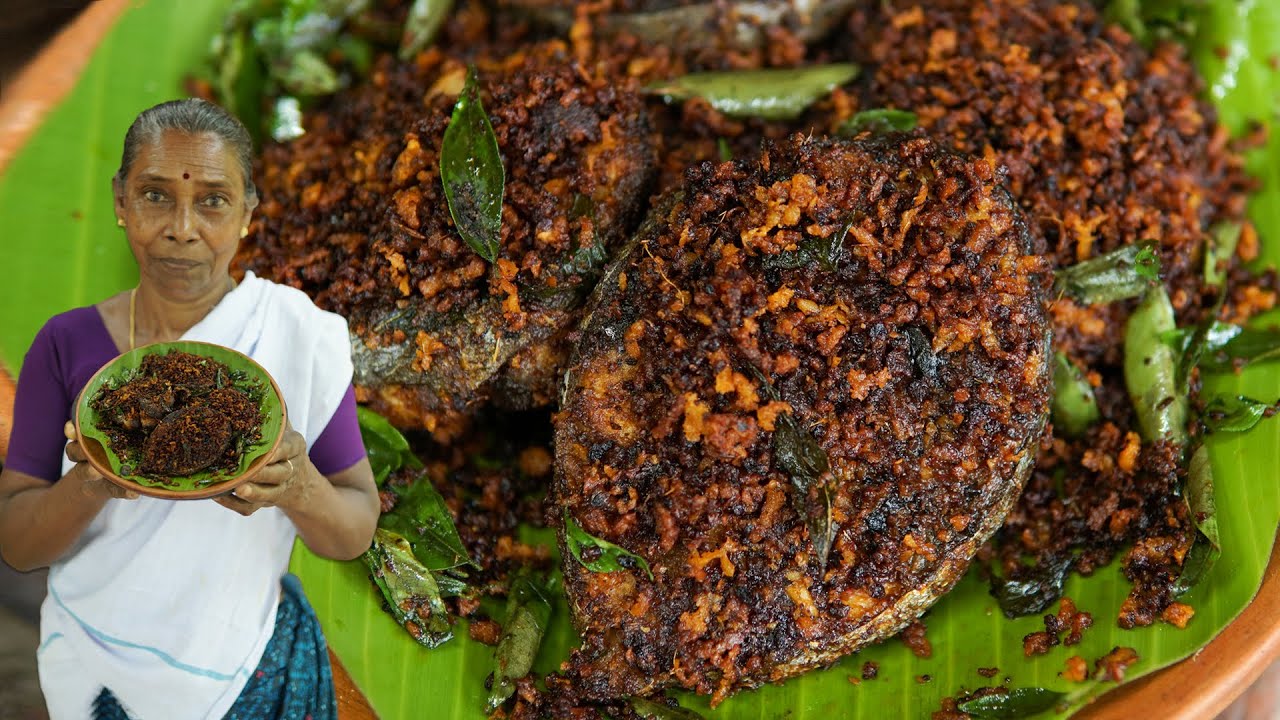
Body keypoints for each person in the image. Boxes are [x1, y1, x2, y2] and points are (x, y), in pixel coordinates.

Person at [0, 98, 381, 720]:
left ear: (247, 214)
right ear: (121, 203)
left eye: (212, 201)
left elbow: (355, 527)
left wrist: (298, 486)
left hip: (248, 667)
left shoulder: (298, 335)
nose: (182, 227)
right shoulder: (67, 343)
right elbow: (18, 545)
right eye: (155, 196)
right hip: (91, 666)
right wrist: (93, 480)